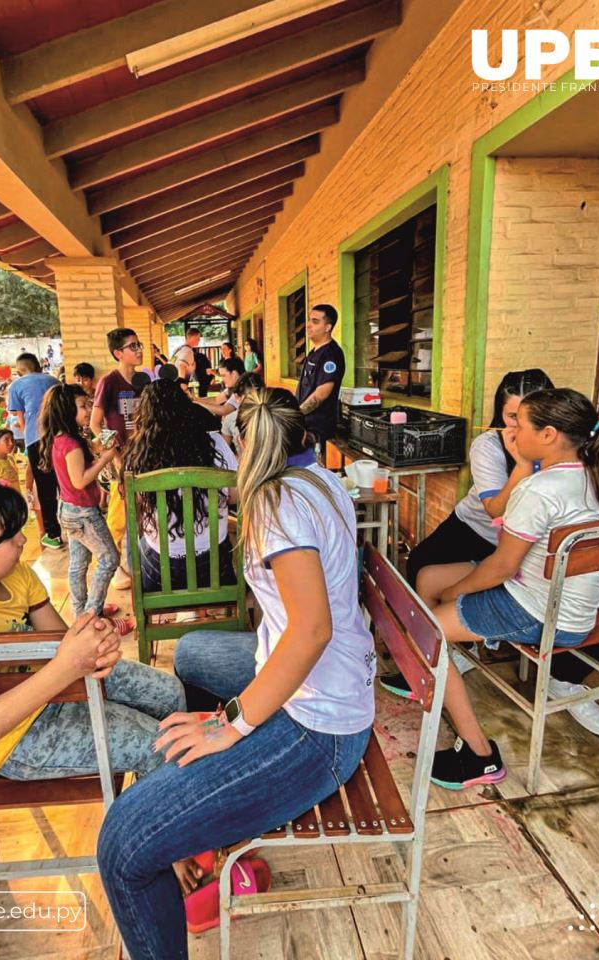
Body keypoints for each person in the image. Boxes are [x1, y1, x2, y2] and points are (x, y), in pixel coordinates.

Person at [97, 387, 375, 959]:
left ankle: (211, 811)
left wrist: (233, 725)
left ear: (241, 446)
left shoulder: (277, 504)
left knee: (124, 843)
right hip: (326, 683)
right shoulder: (317, 480)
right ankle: (211, 828)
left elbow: (311, 631)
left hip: (319, 725)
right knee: (194, 652)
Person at [381, 369, 599, 739]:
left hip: (532, 601)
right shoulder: (595, 471)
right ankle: (442, 664)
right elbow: (493, 519)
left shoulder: (541, 488)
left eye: (524, 422)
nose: (513, 431)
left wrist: (459, 593)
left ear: (549, 433)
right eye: (510, 418)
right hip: (540, 583)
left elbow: (501, 567)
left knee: (430, 626)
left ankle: (471, 738)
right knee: (427, 574)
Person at [0, 479, 185, 783]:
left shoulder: (15, 576)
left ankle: (167, 787)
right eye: (8, 536)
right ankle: (153, 819)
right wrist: (64, 668)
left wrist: (95, 643)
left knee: (171, 695)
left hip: (57, 691)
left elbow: (59, 642)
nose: (23, 540)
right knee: (163, 746)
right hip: (13, 739)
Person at [122, 379, 238, 592]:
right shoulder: (217, 445)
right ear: (188, 408)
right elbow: (234, 497)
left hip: (161, 573)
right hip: (214, 569)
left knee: (134, 531)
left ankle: (137, 586)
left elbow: (137, 509)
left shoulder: (139, 454)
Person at [38, 384, 132, 632]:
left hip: (68, 510)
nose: (88, 410)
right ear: (66, 410)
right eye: (82, 406)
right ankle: (92, 614)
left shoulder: (61, 438)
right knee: (110, 558)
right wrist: (105, 459)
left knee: (78, 564)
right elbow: (79, 480)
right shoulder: (70, 444)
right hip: (82, 513)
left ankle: (81, 614)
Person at [91, 329, 146, 587]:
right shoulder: (109, 382)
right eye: (132, 346)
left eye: (139, 345)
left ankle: (140, 565)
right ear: (118, 353)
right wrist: (112, 453)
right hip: (120, 459)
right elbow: (95, 424)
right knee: (118, 516)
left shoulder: (143, 380)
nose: (138, 350)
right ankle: (112, 569)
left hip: (143, 455)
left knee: (141, 514)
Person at [7, 352, 61, 550]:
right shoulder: (54, 381)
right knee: (64, 481)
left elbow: (19, 418)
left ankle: (53, 534)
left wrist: (27, 428)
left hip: (35, 439)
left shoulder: (17, 385)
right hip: (60, 437)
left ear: (20, 370)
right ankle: (76, 525)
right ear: (38, 366)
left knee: (45, 487)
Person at [295, 304, 345, 448]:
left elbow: (322, 393)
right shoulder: (313, 353)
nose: (308, 325)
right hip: (304, 424)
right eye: (309, 320)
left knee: (314, 468)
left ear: (328, 327)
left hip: (317, 429)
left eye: (315, 322)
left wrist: (296, 413)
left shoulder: (331, 354)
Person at [222, 371, 264, 451]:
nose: (255, 402)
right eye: (250, 399)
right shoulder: (230, 419)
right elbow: (224, 452)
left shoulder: (271, 417)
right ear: (237, 397)